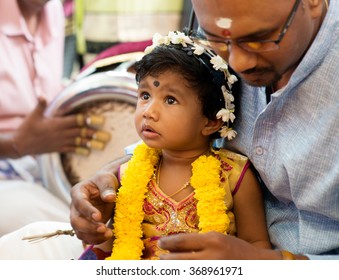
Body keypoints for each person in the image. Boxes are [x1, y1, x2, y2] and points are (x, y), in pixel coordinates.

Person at [70, 0, 339, 260]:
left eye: (259, 39)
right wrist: (108, 178)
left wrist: (262, 265)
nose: (239, 63)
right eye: (219, 41)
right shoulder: (225, 22)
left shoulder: (235, 177)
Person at [75, 30, 271, 260]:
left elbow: (256, 243)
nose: (148, 112)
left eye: (170, 100)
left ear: (211, 121)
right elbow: (109, 240)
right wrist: (96, 226)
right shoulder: (128, 174)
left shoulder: (234, 175)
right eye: (145, 95)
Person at [0, 0, 110, 236]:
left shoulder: (52, 10)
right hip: (10, 167)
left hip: (38, 162)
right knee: (70, 229)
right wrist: (16, 143)